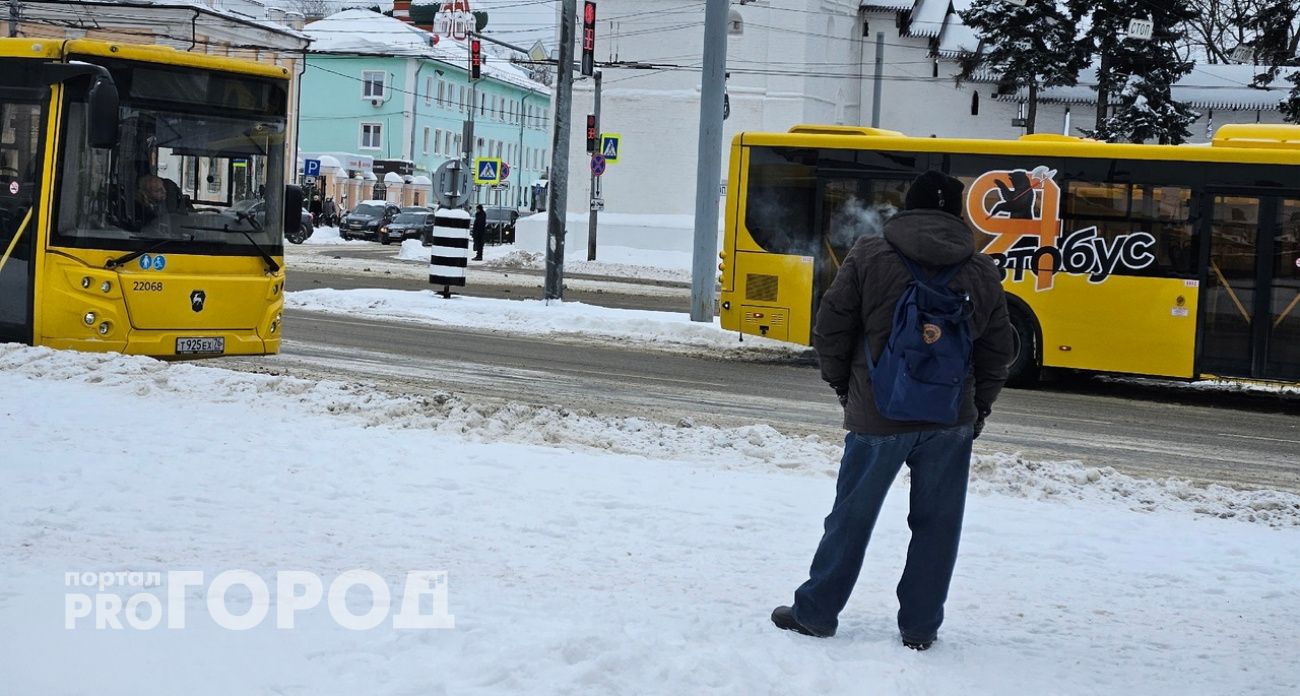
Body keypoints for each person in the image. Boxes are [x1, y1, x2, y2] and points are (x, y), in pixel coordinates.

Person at [772, 170, 1014, 651]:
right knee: (938, 526)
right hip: (950, 419)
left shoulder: (870, 254)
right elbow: (997, 353)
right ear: (957, 214)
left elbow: (831, 329)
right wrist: (977, 408)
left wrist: (845, 389)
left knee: (851, 518)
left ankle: (816, 613)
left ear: (909, 207)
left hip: (877, 414)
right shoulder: (982, 270)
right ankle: (920, 627)